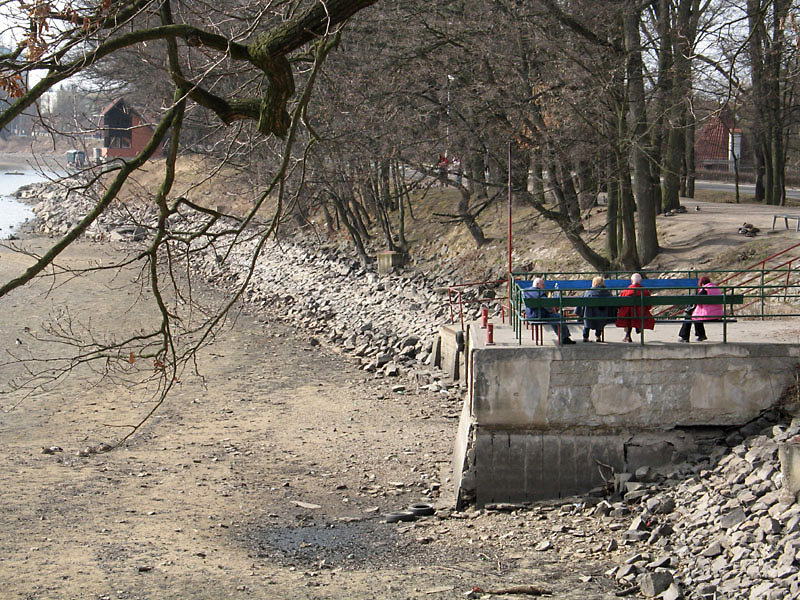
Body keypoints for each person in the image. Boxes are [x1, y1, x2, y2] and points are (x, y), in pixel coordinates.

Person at [523, 277, 575, 345]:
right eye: (543, 285)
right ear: (537, 284)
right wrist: (553, 311)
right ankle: (565, 338)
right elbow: (547, 305)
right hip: (539, 315)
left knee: (554, 317)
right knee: (558, 317)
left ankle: (562, 336)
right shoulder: (539, 293)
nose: (544, 287)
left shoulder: (526, 291)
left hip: (530, 315)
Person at [678, 276, 723, 342]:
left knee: (690, 315)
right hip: (719, 314)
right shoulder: (716, 289)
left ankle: (684, 336)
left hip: (709, 314)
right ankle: (701, 335)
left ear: (702, 284)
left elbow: (696, 300)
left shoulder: (705, 290)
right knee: (696, 314)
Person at [615, 273, 654, 343]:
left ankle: (627, 335)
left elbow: (620, 304)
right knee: (637, 313)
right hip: (641, 313)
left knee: (628, 313)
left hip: (627, 315)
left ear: (631, 281)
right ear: (640, 281)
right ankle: (638, 327)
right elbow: (649, 305)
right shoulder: (645, 291)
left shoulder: (625, 291)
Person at [575, 276, 616, 342]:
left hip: (589, 315)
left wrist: (579, 313)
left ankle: (585, 336)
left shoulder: (588, 292)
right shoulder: (607, 293)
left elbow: (581, 305)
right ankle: (598, 336)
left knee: (586, 319)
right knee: (600, 319)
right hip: (602, 316)